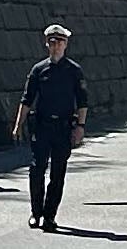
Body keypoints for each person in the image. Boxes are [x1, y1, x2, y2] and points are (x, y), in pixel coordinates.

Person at [18, 22, 89, 230]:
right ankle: (36, 212)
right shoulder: (39, 69)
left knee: (58, 173)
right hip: (42, 126)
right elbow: (27, 99)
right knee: (36, 170)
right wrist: (18, 125)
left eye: (60, 42)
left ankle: (49, 216)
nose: (56, 46)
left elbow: (82, 101)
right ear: (46, 44)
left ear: (66, 44)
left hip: (63, 127)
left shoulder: (74, 70)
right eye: (52, 42)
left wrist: (80, 126)